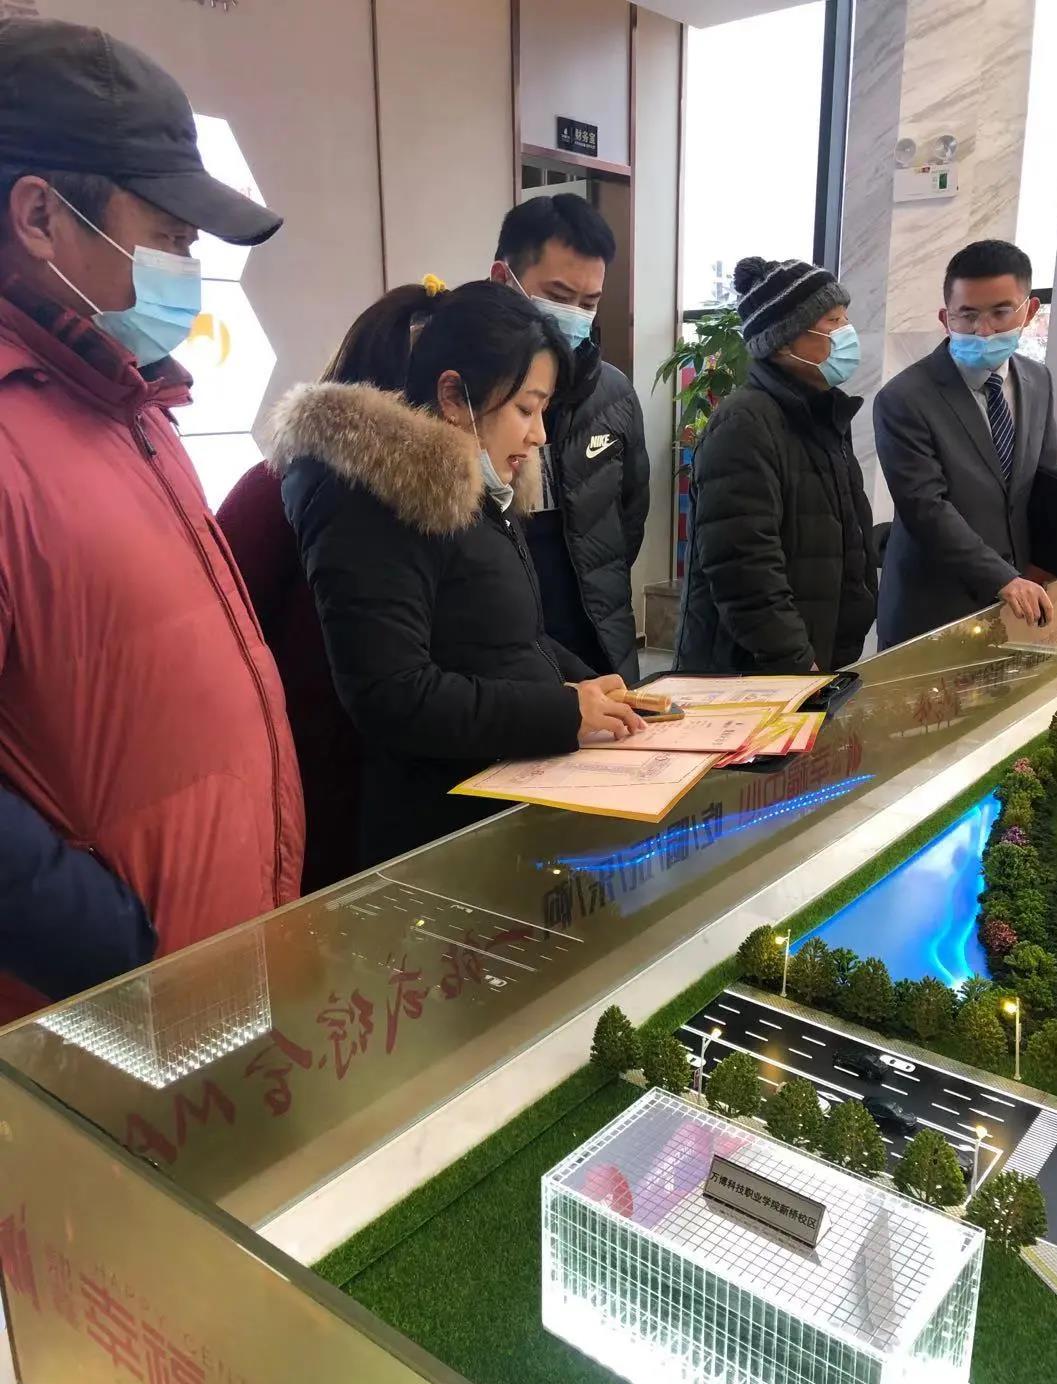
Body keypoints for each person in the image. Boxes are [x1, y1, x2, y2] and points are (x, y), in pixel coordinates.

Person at [0, 18, 303, 999]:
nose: (189, 266)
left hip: (208, 982)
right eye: (170, 235)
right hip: (104, 1019)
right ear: (39, 217)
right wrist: (116, 949)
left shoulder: (128, 400)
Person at [274, 281, 645, 869]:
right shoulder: (374, 503)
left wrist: (588, 685)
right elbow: (392, 694)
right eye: (525, 409)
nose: (540, 435)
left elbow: (505, 636)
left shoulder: (473, 490)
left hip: (501, 799)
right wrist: (561, 711)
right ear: (453, 396)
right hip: (436, 836)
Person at [217, 293, 417, 894]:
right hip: (309, 775)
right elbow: (227, 634)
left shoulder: (445, 505)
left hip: (404, 780)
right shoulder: (275, 490)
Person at [674, 257, 877, 675]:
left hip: (810, 661)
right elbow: (743, 566)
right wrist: (797, 662)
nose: (847, 331)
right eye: (833, 321)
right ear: (784, 341)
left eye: (845, 318)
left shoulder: (822, 414)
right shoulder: (745, 422)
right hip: (751, 673)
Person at [491, 195, 649, 684]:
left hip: (601, 646)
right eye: (558, 296)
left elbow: (630, 518)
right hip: (503, 657)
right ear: (503, 280)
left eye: (589, 303)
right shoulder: (469, 397)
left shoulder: (613, 394)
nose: (574, 315)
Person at [875, 240, 1057, 648]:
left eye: (1000, 312)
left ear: (1029, 311)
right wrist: (1004, 578)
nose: (984, 330)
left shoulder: (1037, 380)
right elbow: (925, 507)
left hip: (1020, 603)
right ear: (946, 318)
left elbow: (1047, 483)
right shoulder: (904, 398)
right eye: (968, 315)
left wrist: (1051, 567)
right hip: (933, 608)